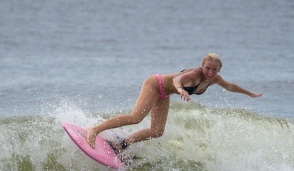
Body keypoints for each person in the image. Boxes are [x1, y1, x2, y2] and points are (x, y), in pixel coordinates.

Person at [86, 53, 262, 152]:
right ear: (202, 66)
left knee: (157, 131)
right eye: (207, 68)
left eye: (214, 69)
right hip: (156, 84)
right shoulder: (194, 74)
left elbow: (230, 86)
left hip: (164, 93)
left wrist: (249, 94)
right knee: (136, 117)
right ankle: (95, 130)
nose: (210, 72)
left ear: (219, 70)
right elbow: (178, 79)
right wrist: (180, 89)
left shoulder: (215, 79)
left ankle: (122, 143)